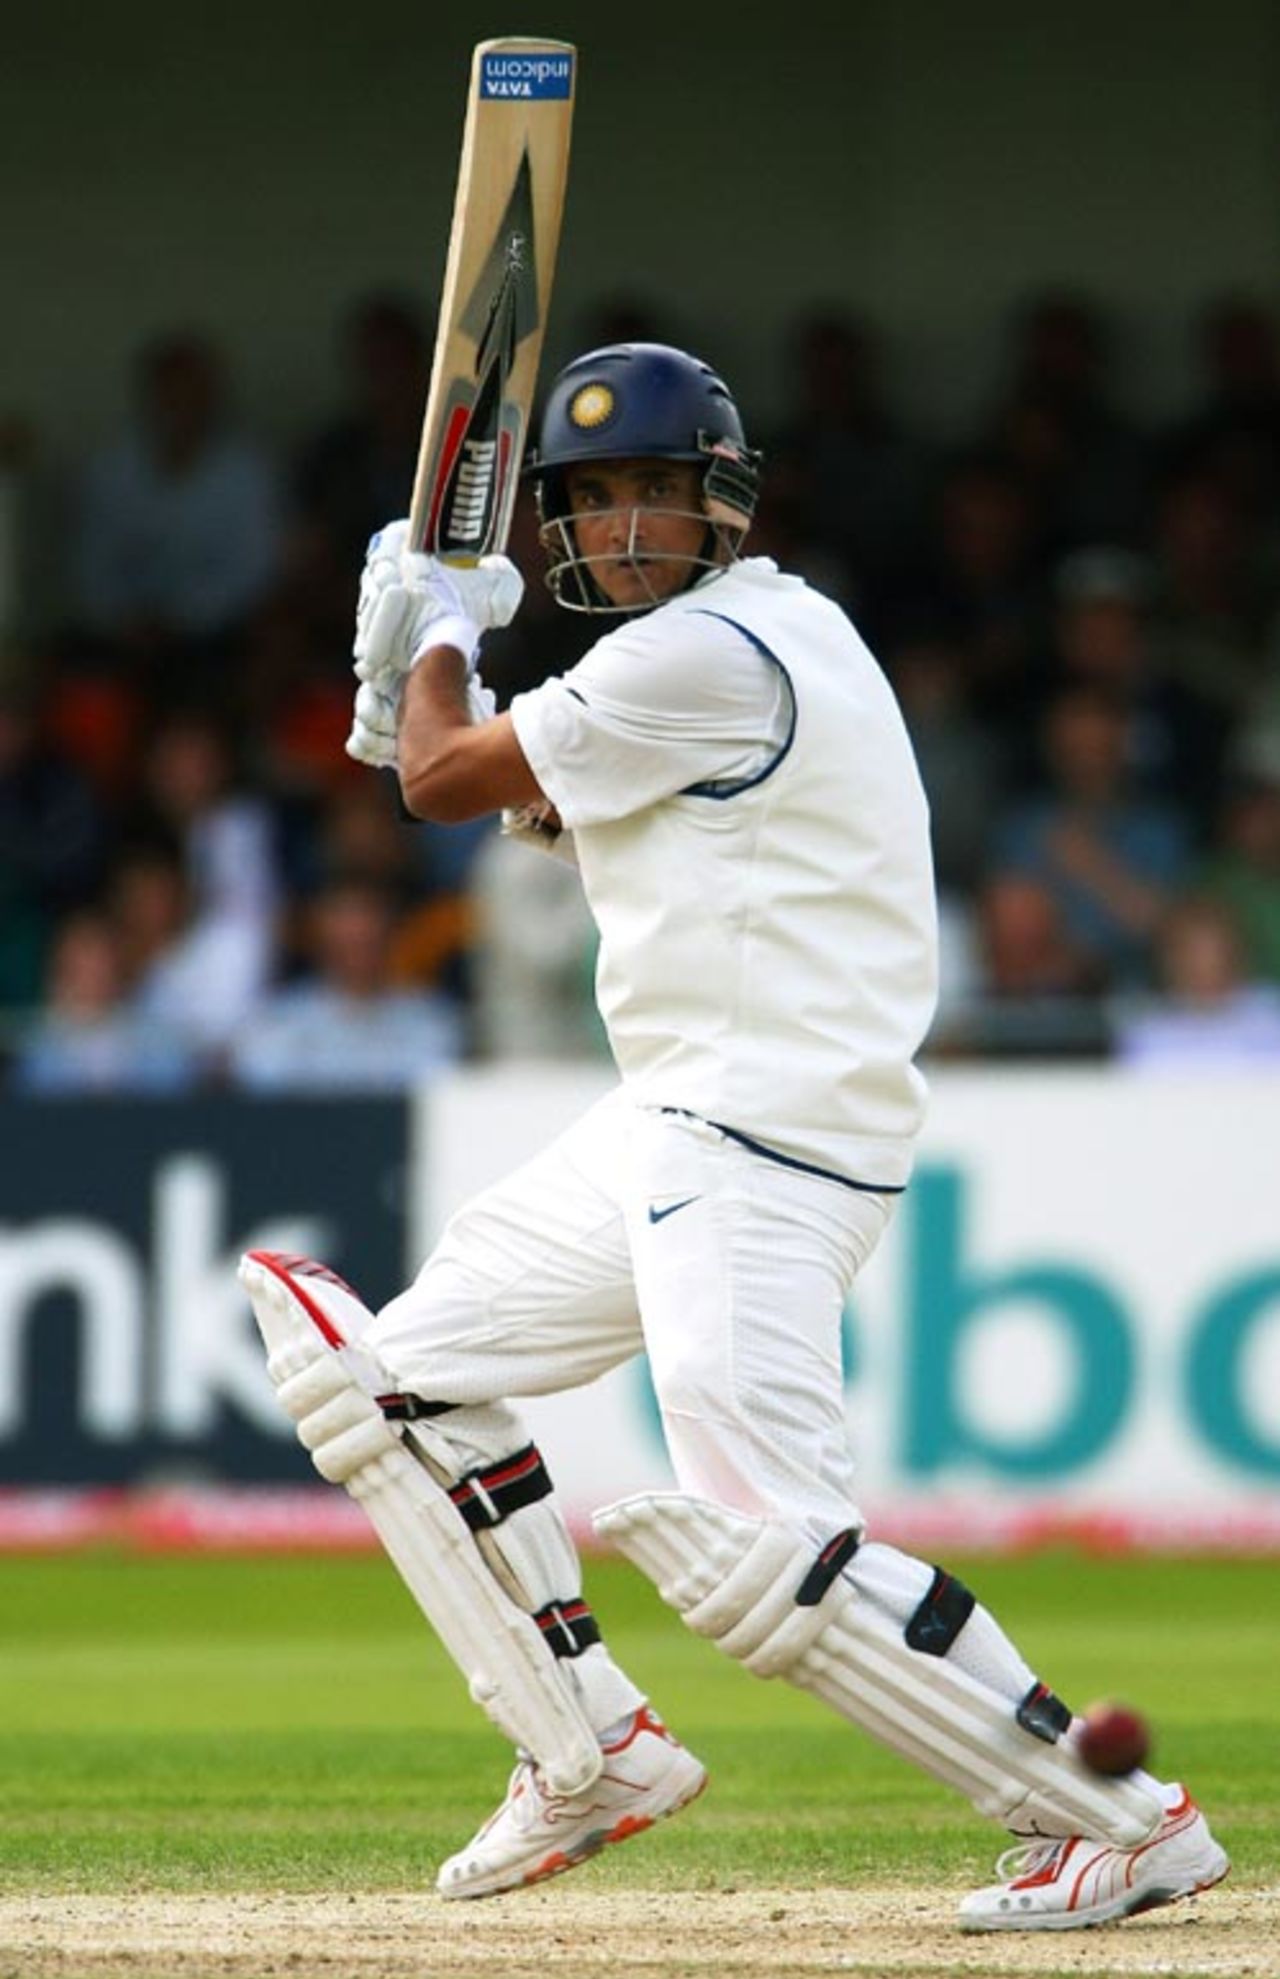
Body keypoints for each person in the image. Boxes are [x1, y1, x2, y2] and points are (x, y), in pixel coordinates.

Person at [240, 343, 1227, 1930]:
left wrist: (432, 632)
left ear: (721, 505)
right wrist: (415, 688)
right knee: (383, 1385)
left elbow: (439, 782)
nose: (627, 527)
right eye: (601, 499)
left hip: (761, 1141)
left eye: (655, 494)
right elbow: (521, 795)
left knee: (768, 1558)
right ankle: (589, 1750)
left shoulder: (702, 653)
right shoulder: (759, 640)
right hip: (677, 1119)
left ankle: (1125, 1820)